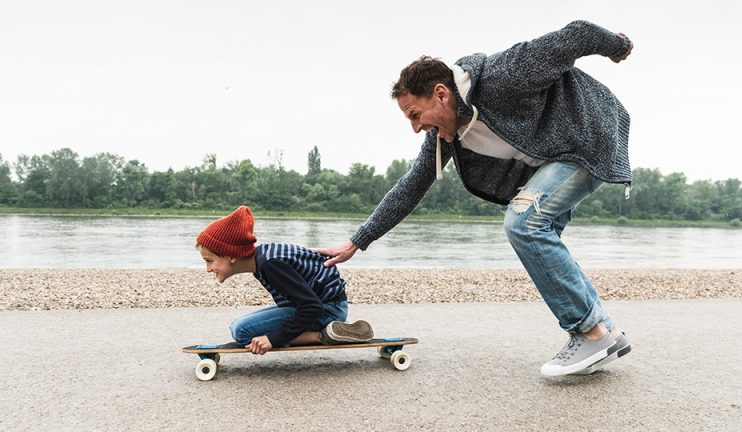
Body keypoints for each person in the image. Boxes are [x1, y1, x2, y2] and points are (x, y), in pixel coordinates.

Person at [316, 20, 633, 376]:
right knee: (543, 240)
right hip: (554, 159)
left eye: (415, 115)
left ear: (441, 94)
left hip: (590, 137)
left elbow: (577, 35)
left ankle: (589, 334)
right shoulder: (445, 136)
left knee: (525, 222)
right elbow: (412, 186)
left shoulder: (503, 76)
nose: (415, 127)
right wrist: (359, 239)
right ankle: (608, 331)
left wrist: (617, 45)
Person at [196, 205, 373, 355]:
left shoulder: (269, 265)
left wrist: (273, 339)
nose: (208, 269)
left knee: (242, 331)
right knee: (238, 326)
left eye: (209, 261)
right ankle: (330, 330)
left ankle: (324, 334)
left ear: (231, 256)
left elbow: (312, 307)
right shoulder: (263, 259)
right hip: (325, 304)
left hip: (328, 309)